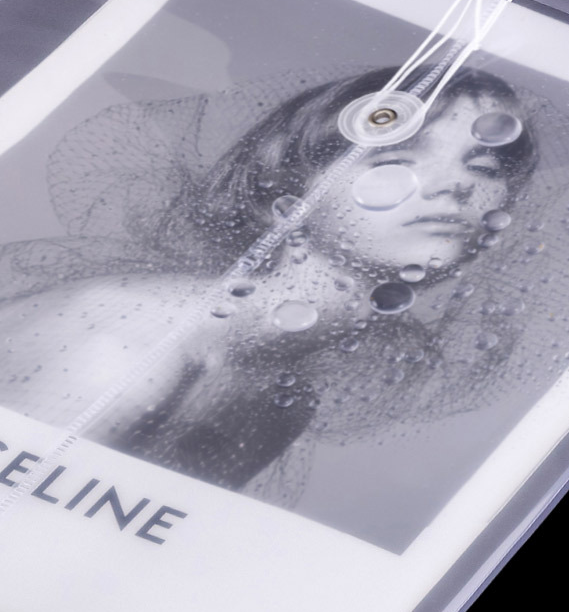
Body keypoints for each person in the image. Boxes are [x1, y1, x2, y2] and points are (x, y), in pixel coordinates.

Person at [0, 65, 540, 499]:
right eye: (396, 159)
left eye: (485, 169)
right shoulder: (126, 342)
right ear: (290, 202)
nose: (455, 186)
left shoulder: (285, 400)